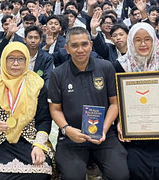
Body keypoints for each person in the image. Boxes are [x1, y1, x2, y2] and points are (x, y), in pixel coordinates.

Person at [48, 27, 130, 180]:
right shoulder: (57, 73)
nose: (80, 50)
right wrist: (67, 129)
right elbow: (55, 109)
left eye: (84, 44)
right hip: (71, 138)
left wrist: (104, 130)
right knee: (72, 177)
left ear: (91, 45)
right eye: (74, 45)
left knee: (121, 175)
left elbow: (114, 103)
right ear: (67, 49)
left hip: (104, 136)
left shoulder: (106, 67)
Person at [0, 42, 54, 179]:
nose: (16, 63)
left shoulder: (38, 85)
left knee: (39, 174)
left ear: (27, 61)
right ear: (3, 60)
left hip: (30, 140)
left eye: (21, 59)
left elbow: (44, 120)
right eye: (11, 58)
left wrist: (39, 145)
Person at [116, 23, 159, 179]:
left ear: (154, 41)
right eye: (138, 40)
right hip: (133, 130)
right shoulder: (120, 66)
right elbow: (116, 101)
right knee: (133, 164)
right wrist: (120, 122)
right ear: (131, 42)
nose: (143, 44)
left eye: (148, 39)